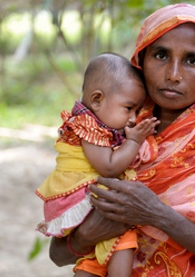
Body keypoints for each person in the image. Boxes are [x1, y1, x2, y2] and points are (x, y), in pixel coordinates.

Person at [47, 3, 195, 276]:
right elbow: (58, 254)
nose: (173, 74)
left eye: (192, 60)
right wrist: (87, 234)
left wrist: (157, 215)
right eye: (161, 55)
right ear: (141, 59)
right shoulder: (113, 127)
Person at [35, 52, 159, 277]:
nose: (133, 119)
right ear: (97, 100)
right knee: (124, 241)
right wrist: (133, 141)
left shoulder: (98, 124)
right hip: (83, 197)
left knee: (89, 261)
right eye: (129, 108)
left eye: (138, 111)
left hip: (88, 201)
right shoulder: (89, 128)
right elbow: (109, 167)